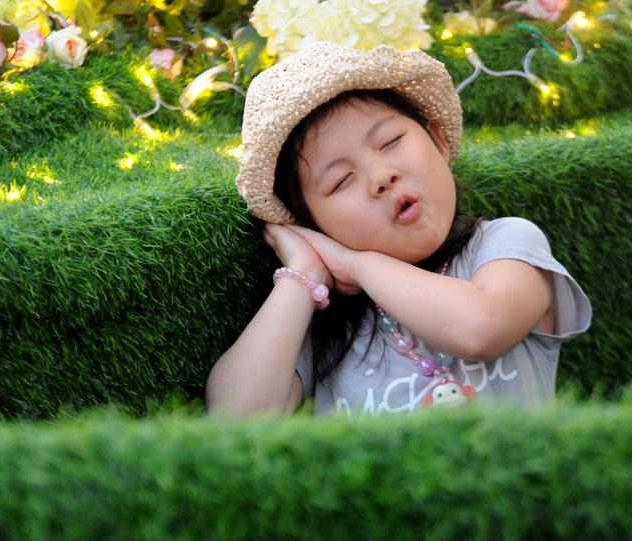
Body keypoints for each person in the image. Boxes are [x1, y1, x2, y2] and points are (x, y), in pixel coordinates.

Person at [206, 42, 591, 417]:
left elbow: (483, 328)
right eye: (341, 181)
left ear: (438, 140)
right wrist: (304, 274)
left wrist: (354, 264)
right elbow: (235, 418)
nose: (381, 177)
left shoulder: (505, 245)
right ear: (312, 225)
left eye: (390, 142)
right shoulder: (325, 323)